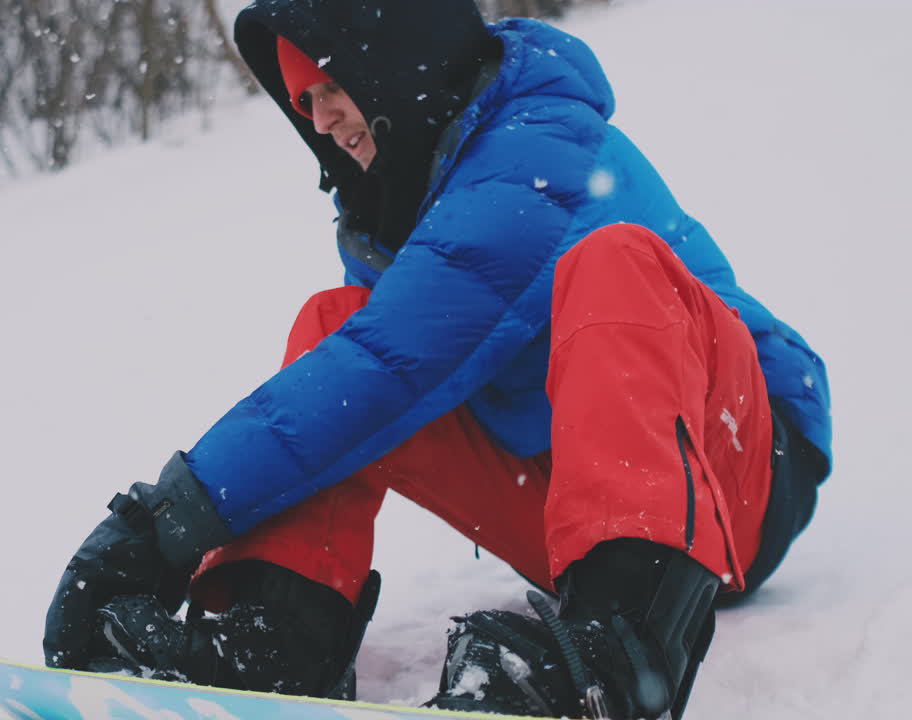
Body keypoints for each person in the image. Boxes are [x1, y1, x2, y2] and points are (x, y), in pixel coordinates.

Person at [42, 1, 832, 718]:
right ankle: (278, 638)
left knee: (610, 263)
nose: (320, 118)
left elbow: (388, 365)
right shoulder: (397, 205)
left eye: (330, 88)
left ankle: (614, 663)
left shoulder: (536, 147)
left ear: (390, 60)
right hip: (572, 514)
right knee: (333, 325)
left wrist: (163, 522)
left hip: (734, 479)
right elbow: (356, 385)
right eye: (306, 102)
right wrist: (183, 528)